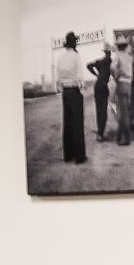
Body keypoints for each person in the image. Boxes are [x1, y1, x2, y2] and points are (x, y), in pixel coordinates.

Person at [54, 31, 88, 165]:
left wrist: (60, 88)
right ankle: (79, 156)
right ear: (74, 43)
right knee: (77, 123)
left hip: (65, 92)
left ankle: (68, 155)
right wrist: (82, 88)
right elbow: (80, 75)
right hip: (74, 90)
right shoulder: (75, 56)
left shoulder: (60, 58)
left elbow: (57, 77)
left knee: (67, 122)